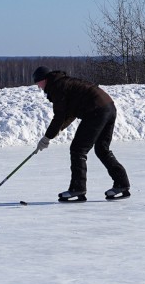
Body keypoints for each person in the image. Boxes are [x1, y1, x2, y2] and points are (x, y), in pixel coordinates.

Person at [32, 66, 130, 202]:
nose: (38, 87)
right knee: (102, 149)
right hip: (108, 107)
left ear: (44, 79)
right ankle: (122, 183)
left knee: (78, 150)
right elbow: (71, 112)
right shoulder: (63, 82)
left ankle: (77, 188)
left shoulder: (57, 87)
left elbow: (59, 116)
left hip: (96, 111)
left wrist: (47, 138)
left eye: (38, 83)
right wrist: (58, 130)